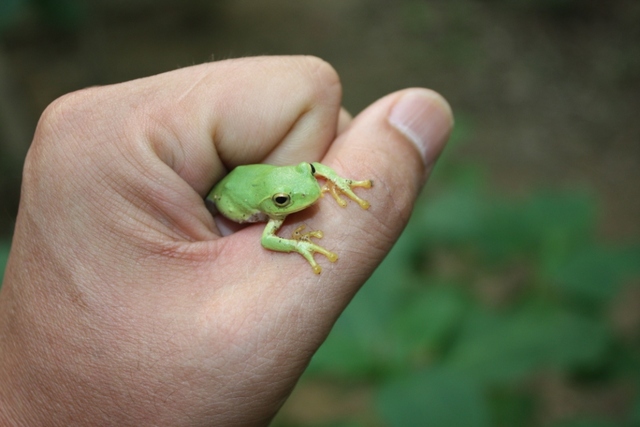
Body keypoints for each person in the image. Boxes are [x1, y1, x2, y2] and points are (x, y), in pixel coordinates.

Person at [0, 56, 453, 426]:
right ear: (274, 206)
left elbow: (308, 173)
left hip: (259, 181)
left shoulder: (300, 179)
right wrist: (299, 243)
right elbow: (267, 242)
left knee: (298, 180)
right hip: (231, 198)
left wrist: (331, 176)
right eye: (285, 201)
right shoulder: (269, 221)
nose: (304, 196)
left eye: (298, 187)